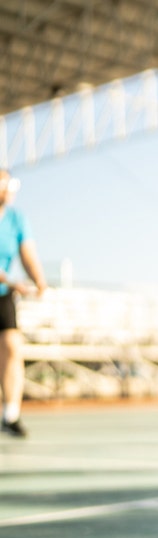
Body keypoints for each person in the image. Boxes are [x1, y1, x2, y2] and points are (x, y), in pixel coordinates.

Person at [0, 169, 48, 438]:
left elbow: (27, 254)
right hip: (6, 284)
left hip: (3, 294)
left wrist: (38, 280)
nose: (7, 189)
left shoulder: (17, 219)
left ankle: (11, 414)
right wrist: (10, 280)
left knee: (11, 347)